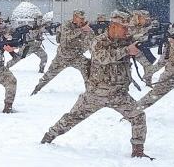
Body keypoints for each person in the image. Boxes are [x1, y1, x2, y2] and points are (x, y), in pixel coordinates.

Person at [41, 11, 150, 158]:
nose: (127, 31)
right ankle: (49, 136)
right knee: (72, 117)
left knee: (138, 115)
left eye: (127, 27)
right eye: (124, 27)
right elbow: (103, 57)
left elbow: (140, 38)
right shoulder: (98, 41)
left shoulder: (125, 40)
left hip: (119, 94)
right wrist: (126, 50)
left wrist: (140, 47)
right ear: (114, 26)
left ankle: (138, 151)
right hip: (96, 94)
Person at [31, 10, 92, 95]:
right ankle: (37, 89)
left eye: (83, 18)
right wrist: (81, 30)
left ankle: (90, 92)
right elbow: (67, 36)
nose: (82, 20)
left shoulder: (84, 27)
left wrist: (88, 32)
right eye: (80, 18)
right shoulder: (66, 24)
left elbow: (90, 42)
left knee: (88, 68)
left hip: (76, 56)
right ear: (75, 17)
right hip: (62, 56)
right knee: (49, 74)